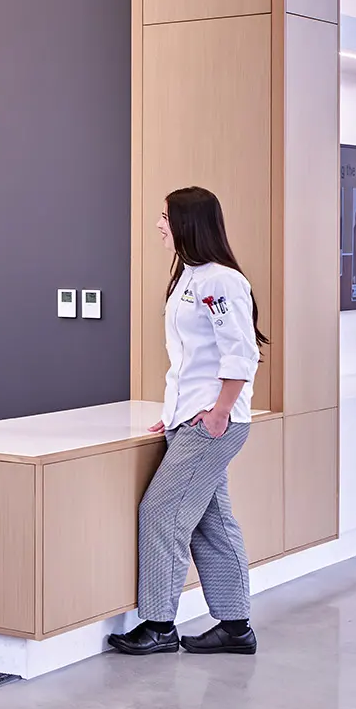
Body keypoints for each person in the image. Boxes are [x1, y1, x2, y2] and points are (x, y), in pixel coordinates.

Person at [108, 186, 267, 658]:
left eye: (165, 216)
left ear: (187, 223)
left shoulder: (222, 282)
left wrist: (218, 413)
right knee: (210, 522)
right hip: (191, 419)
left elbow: (241, 353)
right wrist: (171, 415)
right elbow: (188, 360)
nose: (159, 224)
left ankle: (159, 625)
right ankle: (235, 627)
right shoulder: (188, 277)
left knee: (161, 513)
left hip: (213, 423)